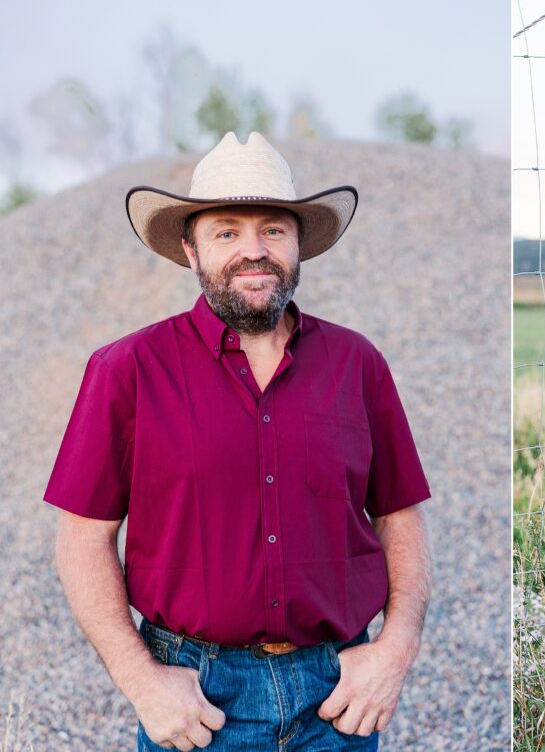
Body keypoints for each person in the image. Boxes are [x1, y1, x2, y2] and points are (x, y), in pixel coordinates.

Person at [43, 131, 432, 751]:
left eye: (273, 230)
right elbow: (83, 537)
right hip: (197, 702)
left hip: (338, 697)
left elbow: (398, 515)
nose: (254, 251)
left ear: (299, 243)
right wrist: (141, 681)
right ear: (190, 248)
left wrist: (396, 648)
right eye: (227, 231)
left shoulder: (357, 364)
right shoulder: (127, 369)